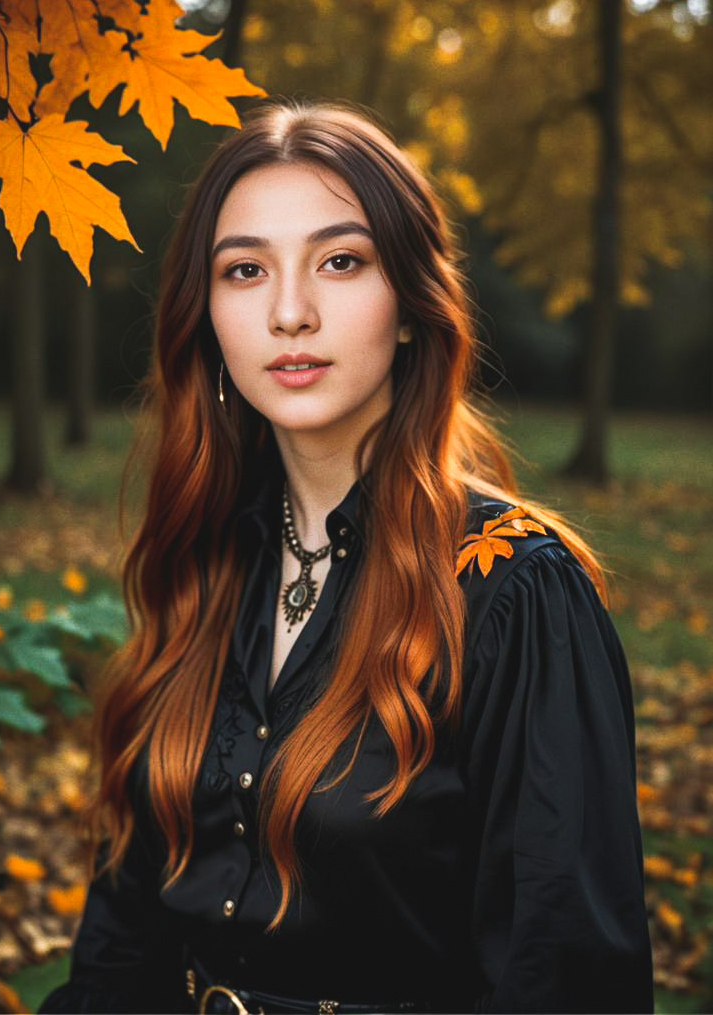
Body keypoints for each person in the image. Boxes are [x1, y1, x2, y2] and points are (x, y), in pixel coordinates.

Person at [38, 97, 654, 1015]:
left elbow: (561, 975)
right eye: (244, 270)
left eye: (339, 261)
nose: (290, 312)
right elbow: (121, 946)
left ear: (410, 305)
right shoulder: (203, 566)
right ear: (206, 318)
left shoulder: (517, 592)